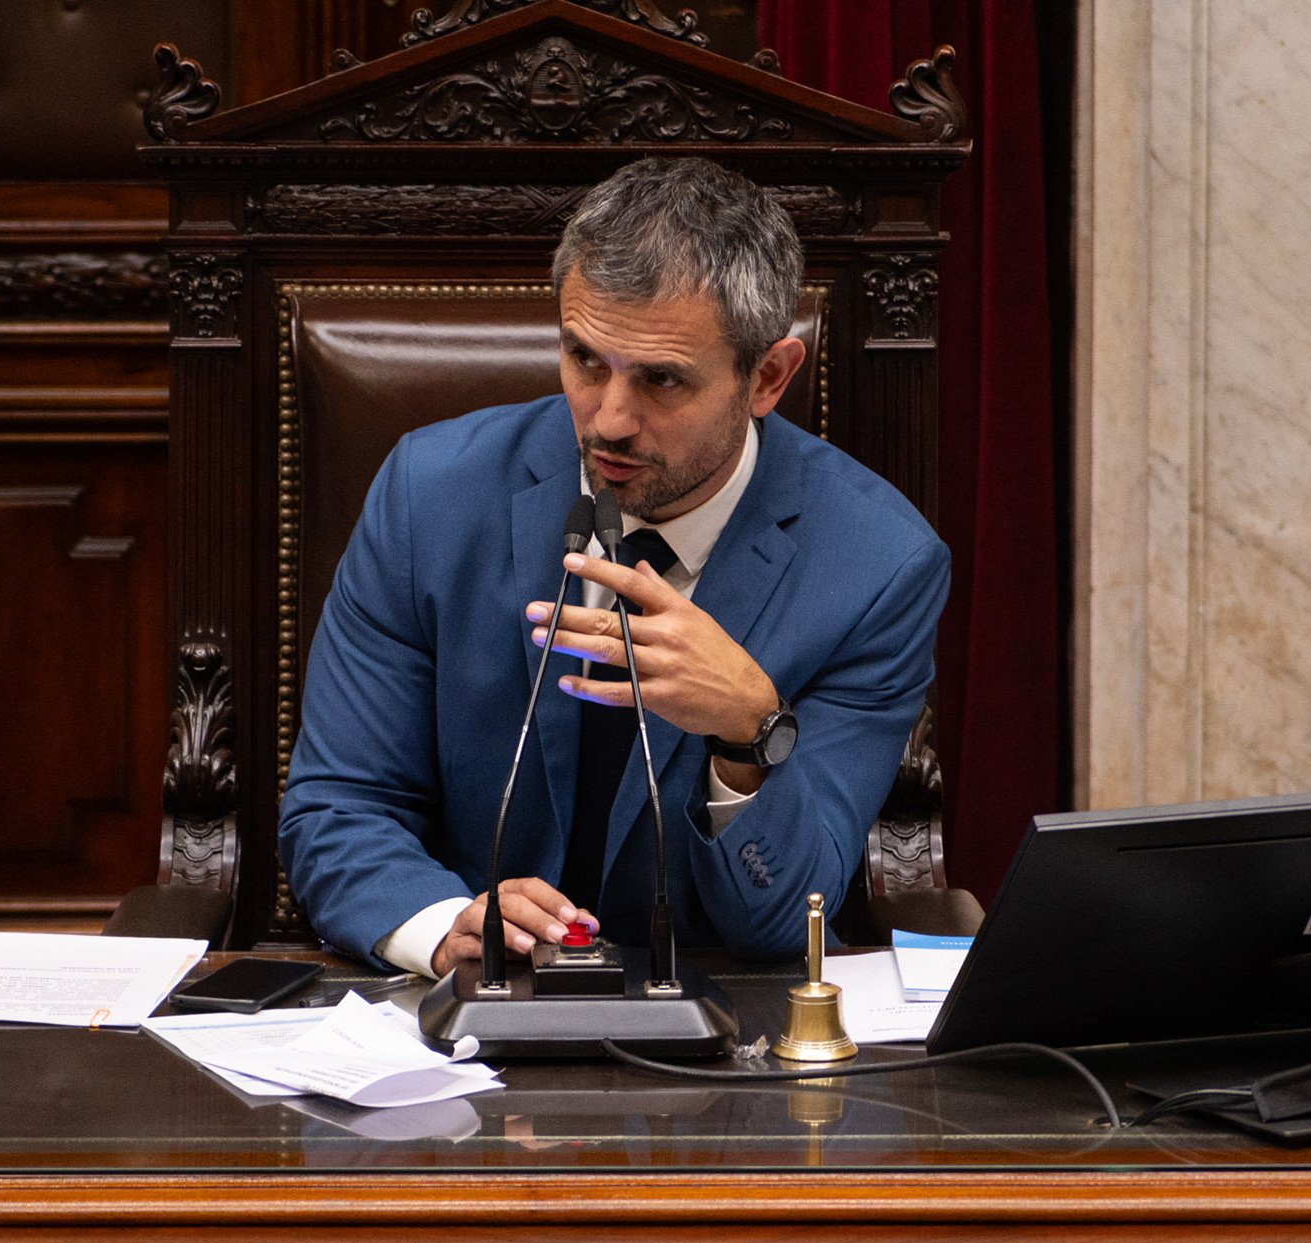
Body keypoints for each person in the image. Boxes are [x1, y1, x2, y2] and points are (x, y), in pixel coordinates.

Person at [280, 157, 950, 977]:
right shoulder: (430, 496)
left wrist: (748, 734)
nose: (609, 419)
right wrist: (442, 924)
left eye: (662, 380)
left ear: (767, 377)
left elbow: (783, 919)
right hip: (470, 1016)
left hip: (718, 1020)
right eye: (586, 359)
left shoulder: (878, 567)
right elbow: (336, 808)